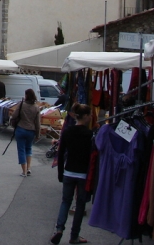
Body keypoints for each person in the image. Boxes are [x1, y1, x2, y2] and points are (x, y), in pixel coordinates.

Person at [51, 103, 93, 245]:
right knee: (80, 205)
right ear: (85, 116)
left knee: (65, 201)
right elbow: (92, 157)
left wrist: (60, 172)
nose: (91, 117)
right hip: (82, 174)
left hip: (69, 171)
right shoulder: (89, 134)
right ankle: (74, 236)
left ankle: (59, 229)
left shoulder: (68, 131)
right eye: (90, 115)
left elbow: (61, 153)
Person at [11, 88, 41, 176]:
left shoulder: (22, 105)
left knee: (21, 150)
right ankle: (28, 168)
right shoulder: (36, 107)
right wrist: (38, 134)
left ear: (26, 96)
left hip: (21, 128)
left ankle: (23, 171)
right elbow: (38, 123)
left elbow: (14, 115)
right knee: (28, 148)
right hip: (31, 130)